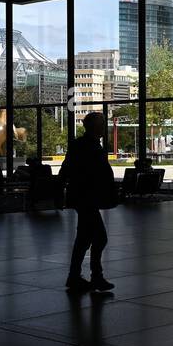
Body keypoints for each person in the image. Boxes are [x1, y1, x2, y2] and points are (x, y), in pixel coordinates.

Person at [60, 111, 117, 292]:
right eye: (101, 124)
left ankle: (76, 276)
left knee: (84, 238)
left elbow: (66, 169)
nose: (103, 128)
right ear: (93, 127)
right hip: (87, 198)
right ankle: (95, 277)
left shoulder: (82, 145)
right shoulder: (89, 147)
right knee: (99, 238)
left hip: (83, 198)